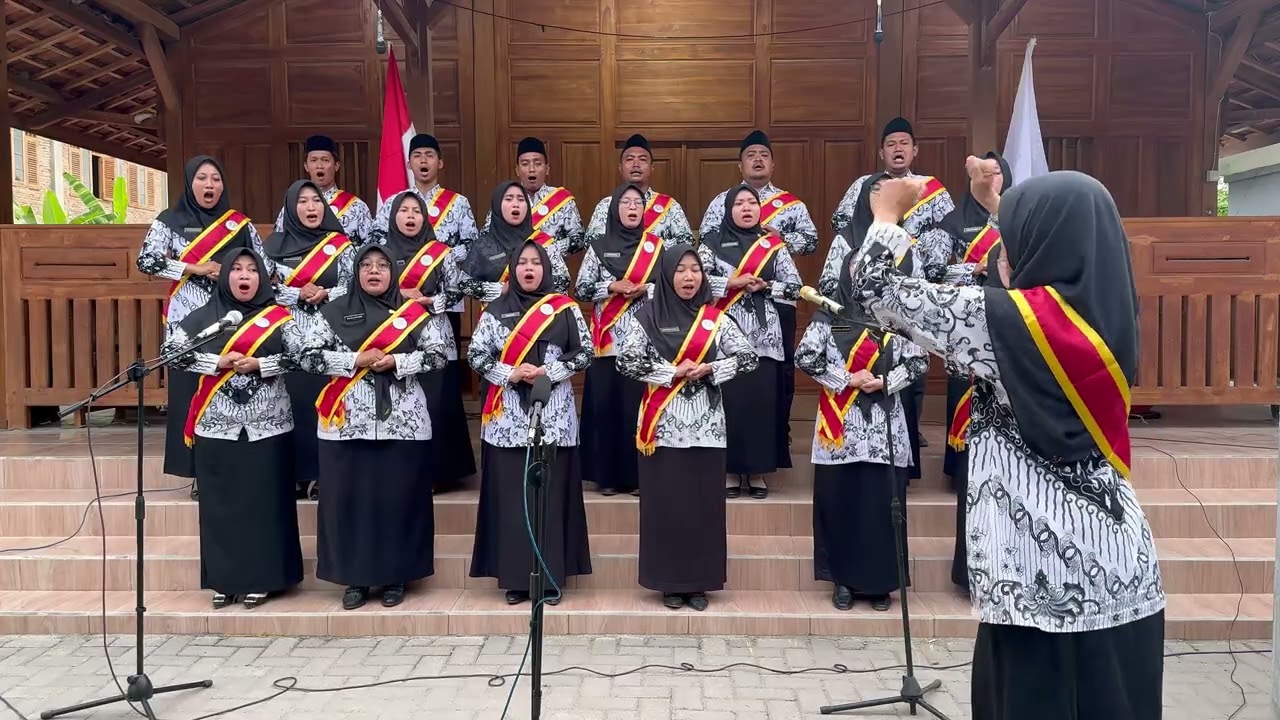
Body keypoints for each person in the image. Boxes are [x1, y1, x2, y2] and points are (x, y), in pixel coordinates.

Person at [852, 167, 1164, 720]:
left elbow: (876, 291)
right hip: (1122, 573)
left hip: (1039, 582)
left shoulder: (1006, 326)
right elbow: (1030, 258)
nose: (1004, 253)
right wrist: (999, 206)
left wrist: (886, 214)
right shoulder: (1111, 309)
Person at [299, 244, 450, 610]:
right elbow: (306, 356)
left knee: (398, 501)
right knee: (349, 503)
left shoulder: (413, 313)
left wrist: (398, 361)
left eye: (382, 265)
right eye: (366, 265)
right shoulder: (333, 311)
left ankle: (397, 576)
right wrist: (356, 359)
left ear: (392, 273)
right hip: (346, 425)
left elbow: (438, 354)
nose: (374, 271)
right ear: (355, 272)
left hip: (403, 424)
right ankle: (355, 578)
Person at [617, 244, 757, 611]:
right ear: (666, 275)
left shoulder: (715, 318)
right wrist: (671, 372)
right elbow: (626, 362)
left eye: (695, 269)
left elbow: (748, 357)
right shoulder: (645, 316)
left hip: (707, 429)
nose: (689, 277)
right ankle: (668, 582)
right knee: (666, 506)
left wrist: (713, 368)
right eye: (680, 270)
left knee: (702, 506)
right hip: (661, 428)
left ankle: (700, 582)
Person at [162, 247, 304, 609]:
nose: (244, 275)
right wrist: (217, 362)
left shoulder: (279, 317)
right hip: (216, 424)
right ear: (225, 276)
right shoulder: (203, 317)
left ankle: (265, 578)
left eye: (252, 270)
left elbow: (303, 357)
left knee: (265, 503)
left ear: (262, 278)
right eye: (236, 269)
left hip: (267, 425)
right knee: (220, 504)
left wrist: (261, 364)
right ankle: (225, 580)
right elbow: (172, 353)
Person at [826, 117, 962, 465]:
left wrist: (921, 257)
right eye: (891, 144)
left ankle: (908, 434)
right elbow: (841, 223)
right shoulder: (864, 185)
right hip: (862, 296)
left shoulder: (931, 190)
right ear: (881, 152)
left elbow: (949, 233)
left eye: (904, 143)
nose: (898, 149)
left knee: (909, 365)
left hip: (911, 290)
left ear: (915, 150)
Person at [796, 255, 927, 611]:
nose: (864, 274)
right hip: (840, 428)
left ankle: (880, 581)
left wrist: (887, 381)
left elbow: (918, 360)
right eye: (858, 267)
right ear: (846, 272)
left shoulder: (896, 317)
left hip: (885, 428)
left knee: (882, 506)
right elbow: (806, 357)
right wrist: (846, 379)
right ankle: (842, 580)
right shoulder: (829, 315)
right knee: (841, 503)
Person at [467, 241, 594, 604]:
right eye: (521, 262)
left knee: (550, 499)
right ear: (512, 269)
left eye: (535, 262)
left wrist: (548, 371)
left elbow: (585, 352)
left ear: (546, 269)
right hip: (508, 419)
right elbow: (476, 355)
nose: (528, 268)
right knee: (513, 500)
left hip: (554, 418)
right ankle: (515, 578)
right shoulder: (495, 310)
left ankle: (551, 577)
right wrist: (510, 372)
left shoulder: (565, 309)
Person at [137, 155, 271, 492]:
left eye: (215, 179)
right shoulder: (170, 220)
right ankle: (197, 470)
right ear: (189, 182)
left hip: (231, 320)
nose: (209, 185)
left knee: (226, 391)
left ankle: (231, 466)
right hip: (187, 319)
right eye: (202, 178)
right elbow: (147, 261)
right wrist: (193, 268)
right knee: (190, 392)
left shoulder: (239, 224)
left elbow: (264, 267)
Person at [699, 130, 819, 461]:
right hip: (727, 313)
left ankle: (777, 434)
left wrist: (782, 241)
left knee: (776, 378)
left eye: (763, 155)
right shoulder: (721, 201)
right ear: (740, 164)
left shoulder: (790, 204)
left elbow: (810, 242)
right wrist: (732, 282)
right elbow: (704, 246)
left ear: (773, 163)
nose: (757, 160)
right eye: (751, 155)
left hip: (774, 310)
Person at [937, 150, 1012, 593]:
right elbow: (934, 272)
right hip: (967, 327)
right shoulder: (954, 221)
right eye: (984, 172)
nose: (990, 178)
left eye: (997, 172)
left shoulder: (1020, 220)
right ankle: (958, 466)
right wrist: (975, 268)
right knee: (964, 405)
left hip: (1011, 332)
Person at [698, 184, 802, 499]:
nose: (746, 208)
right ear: (728, 210)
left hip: (765, 340)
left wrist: (766, 286)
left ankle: (757, 472)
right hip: (724, 341)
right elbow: (694, 283)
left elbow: (795, 287)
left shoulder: (773, 245)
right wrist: (732, 282)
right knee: (730, 404)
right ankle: (730, 470)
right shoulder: (712, 243)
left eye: (752, 203)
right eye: (739, 203)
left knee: (760, 406)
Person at [375, 190, 476, 492]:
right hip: (393, 340)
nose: (410, 216)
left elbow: (457, 292)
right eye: (404, 211)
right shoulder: (379, 255)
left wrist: (432, 302)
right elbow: (367, 292)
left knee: (436, 403)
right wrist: (399, 294)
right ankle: (399, 471)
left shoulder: (440, 252)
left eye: (416, 211)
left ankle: (436, 474)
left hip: (435, 336)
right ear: (393, 216)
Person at [264, 179, 356, 500]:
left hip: (330, 337)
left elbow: (356, 286)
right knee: (291, 405)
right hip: (289, 335)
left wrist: (326, 292)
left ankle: (321, 474)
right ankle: (292, 473)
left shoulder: (341, 245)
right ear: (291, 208)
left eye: (316, 201)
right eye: (302, 202)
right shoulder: (273, 246)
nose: (311, 207)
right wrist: (297, 293)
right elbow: (262, 287)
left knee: (324, 404)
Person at [575, 184, 662, 497]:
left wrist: (646, 289)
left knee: (636, 408)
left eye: (637, 202)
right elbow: (581, 289)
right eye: (626, 202)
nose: (632, 207)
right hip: (607, 342)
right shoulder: (598, 247)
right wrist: (612, 286)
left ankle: (640, 476)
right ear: (614, 210)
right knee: (607, 408)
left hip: (644, 344)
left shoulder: (656, 247)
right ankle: (607, 477)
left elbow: (671, 288)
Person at [373, 133, 478, 360]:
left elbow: (472, 246)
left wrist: (440, 258)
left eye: (429, 155)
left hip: (444, 297)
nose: (423, 160)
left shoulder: (458, 203)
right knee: (401, 358)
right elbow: (375, 243)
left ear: (440, 163)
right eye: (417, 155)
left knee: (444, 362)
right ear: (409, 163)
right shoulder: (394, 203)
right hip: (399, 295)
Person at [458, 181, 572, 299]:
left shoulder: (543, 242)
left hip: (536, 308)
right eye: (509, 199)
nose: (516, 204)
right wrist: (499, 290)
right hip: (496, 309)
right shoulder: (484, 245)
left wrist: (523, 289)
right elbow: (464, 283)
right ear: (497, 205)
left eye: (521, 199)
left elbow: (563, 280)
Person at [584, 134, 694, 248]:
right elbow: (592, 244)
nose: (636, 165)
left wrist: (649, 247)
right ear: (620, 168)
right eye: (629, 159)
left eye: (642, 160)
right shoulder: (606, 205)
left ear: (652, 168)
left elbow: (686, 242)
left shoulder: (669, 205)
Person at [480, 136, 585, 254]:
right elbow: (485, 237)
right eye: (525, 164)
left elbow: (579, 239)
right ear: (517, 170)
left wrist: (549, 249)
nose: (531, 169)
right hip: (511, 264)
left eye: (538, 164)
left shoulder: (562, 199)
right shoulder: (505, 199)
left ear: (547, 169)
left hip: (552, 264)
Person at [274, 135, 373, 246]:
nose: (319, 166)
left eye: (325, 160)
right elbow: (278, 243)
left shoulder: (357, 207)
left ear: (336, 165)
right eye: (313, 160)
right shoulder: (293, 207)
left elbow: (370, 247)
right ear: (306, 166)